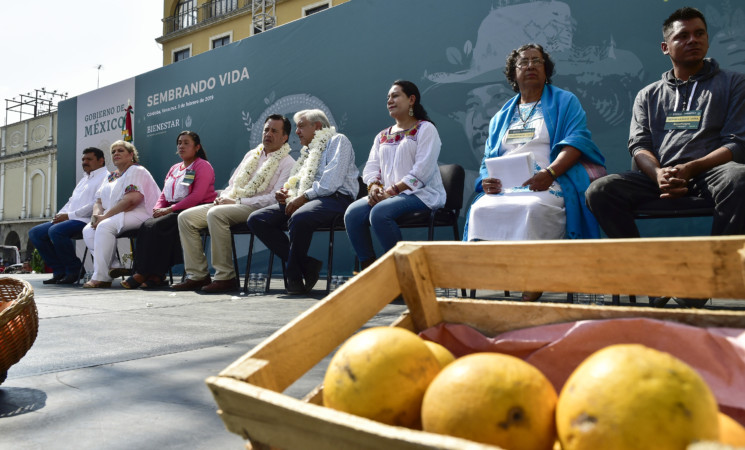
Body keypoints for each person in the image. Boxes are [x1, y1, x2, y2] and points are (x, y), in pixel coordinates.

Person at [585, 7, 745, 308]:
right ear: (665, 47)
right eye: (682, 35)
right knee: (600, 191)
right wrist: (658, 174)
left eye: (699, 33)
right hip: (660, 177)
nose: (693, 40)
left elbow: (738, 143)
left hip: (711, 172)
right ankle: (651, 277)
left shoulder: (734, 83)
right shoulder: (648, 94)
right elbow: (639, 145)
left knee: (740, 177)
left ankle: (703, 279)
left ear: (708, 40)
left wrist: (691, 167)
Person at [463, 43, 605, 302]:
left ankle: (534, 278)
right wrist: (485, 181)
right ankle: (498, 277)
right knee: (480, 209)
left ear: (546, 69)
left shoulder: (565, 101)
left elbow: (577, 142)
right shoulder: (500, 116)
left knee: (533, 208)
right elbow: (488, 158)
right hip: (506, 188)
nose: (530, 66)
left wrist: (550, 172)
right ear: (513, 74)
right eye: (523, 62)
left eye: (536, 61)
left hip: (550, 180)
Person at [171, 115, 294, 293]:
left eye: (274, 131)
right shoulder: (252, 154)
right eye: (266, 129)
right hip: (232, 201)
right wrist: (224, 198)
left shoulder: (288, 162)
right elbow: (233, 183)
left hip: (255, 208)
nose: (268, 134)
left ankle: (225, 277)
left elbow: (274, 198)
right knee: (185, 218)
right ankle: (198, 275)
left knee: (216, 214)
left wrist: (236, 201)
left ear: (285, 137)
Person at [248, 109, 359, 295]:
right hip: (308, 199)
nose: (297, 132)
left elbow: (331, 183)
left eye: (301, 126)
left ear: (317, 126)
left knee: (300, 216)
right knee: (257, 219)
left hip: (336, 198)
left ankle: (294, 276)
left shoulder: (338, 141)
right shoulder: (308, 151)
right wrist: (288, 195)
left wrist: (303, 197)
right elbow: (301, 182)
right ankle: (307, 265)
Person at [344, 80, 445, 269]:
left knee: (380, 213)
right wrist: (374, 187)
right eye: (388, 97)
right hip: (388, 196)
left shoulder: (426, 129)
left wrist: (390, 192)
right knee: (353, 213)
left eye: (396, 95)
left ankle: (403, 273)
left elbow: (422, 171)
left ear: (411, 99)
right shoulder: (382, 135)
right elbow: (371, 167)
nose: (390, 100)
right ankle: (369, 269)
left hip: (421, 194)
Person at [120, 131, 217, 289]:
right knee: (148, 224)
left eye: (186, 143)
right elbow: (164, 194)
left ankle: (143, 273)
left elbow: (197, 196)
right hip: (173, 210)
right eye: (179, 143)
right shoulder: (174, 168)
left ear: (197, 147)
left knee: (159, 226)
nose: (181, 146)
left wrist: (170, 210)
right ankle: (155, 275)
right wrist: (158, 209)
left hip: (194, 209)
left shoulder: (202, 166)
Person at [81, 141, 161, 288]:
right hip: (116, 215)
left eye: (120, 150)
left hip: (142, 213)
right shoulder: (110, 176)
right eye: (113, 152)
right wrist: (96, 216)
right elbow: (98, 201)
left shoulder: (136, 170)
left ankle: (101, 277)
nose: (116, 153)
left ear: (131, 155)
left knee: (104, 226)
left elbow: (132, 200)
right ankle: (114, 266)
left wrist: (105, 217)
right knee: (88, 229)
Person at [29, 147, 108, 284]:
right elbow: (71, 201)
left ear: (101, 161)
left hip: (86, 220)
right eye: (83, 159)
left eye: (89, 159)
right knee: (35, 233)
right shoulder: (84, 179)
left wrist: (69, 216)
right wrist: (59, 215)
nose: (84, 162)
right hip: (71, 218)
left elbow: (95, 204)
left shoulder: (106, 177)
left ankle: (74, 269)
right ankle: (59, 271)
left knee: (56, 231)